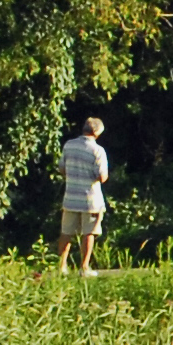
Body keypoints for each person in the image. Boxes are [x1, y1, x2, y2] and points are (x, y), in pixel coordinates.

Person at [58, 115, 110, 274]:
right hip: (91, 199)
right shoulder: (98, 150)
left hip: (70, 197)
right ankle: (84, 267)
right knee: (89, 233)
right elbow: (102, 176)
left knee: (66, 232)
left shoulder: (69, 145)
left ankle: (61, 266)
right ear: (97, 133)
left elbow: (61, 168)